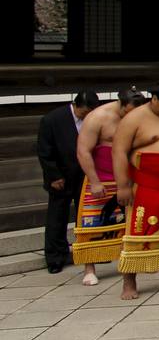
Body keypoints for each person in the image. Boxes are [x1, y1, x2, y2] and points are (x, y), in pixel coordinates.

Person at [114, 81, 159, 300]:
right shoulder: (134, 119)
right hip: (146, 184)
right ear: (153, 98)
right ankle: (129, 281)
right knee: (135, 231)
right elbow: (119, 152)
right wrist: (123, 185)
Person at [71, 88, 146, 284]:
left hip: (128, 178)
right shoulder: (98, 117)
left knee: (128, 224)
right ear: (120, 104)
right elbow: (83, 151)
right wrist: (94, 181)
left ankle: (129, 263)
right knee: (92, 223)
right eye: (128, 112)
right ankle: (89, 268)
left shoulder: (142, 116)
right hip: (101, 178)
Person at [37, 90, 100, 274]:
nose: (88, 116)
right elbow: (44, 151)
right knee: (57, 217)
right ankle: (56, 257)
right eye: (85, 112)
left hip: (85, 175)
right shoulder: (52, 119)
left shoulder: (95, 119)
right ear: (77, 106)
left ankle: (93, 253)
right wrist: (54, 176)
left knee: (89, 216)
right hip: (61, 176)